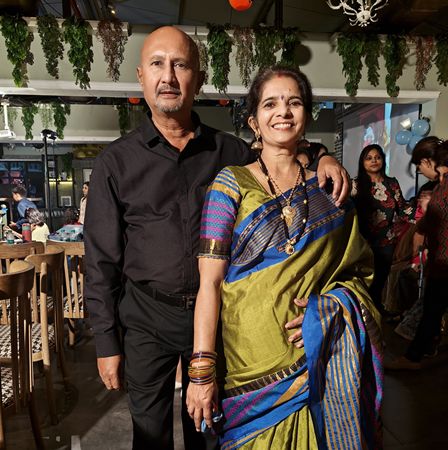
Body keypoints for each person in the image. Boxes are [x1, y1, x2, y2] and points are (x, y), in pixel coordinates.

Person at [84, 26, 351, 450]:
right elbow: (100, 261)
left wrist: (323, 156)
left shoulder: (230, 152)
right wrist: (105, 342)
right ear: (141, 76)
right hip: (147, 318)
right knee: (149, 436)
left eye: (180, 65)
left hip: (220, 318)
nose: (168, 76)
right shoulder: (115, 163)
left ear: (199, 79)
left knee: (209, 431)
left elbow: (281, 151)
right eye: (157, 64)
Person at [186, 66, 383, 449]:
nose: (283, 112)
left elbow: (360, 273)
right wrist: (202, 370)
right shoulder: (230, 183)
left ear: (306, 115)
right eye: (270, 104)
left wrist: (332, 307)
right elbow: (210, 281)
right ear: (253, 121)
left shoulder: (331, 190)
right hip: (250, 358)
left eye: (294, 102)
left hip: (317, 353)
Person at [387, 138, 448, 369]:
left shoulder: (443, 188)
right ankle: (422, 350)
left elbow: (433, 220)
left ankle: (413, 357)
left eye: (420, 166)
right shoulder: (440, 187)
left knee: (431, 308)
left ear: (429, 161)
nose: (421, 171)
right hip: (440, 260)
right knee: (432, 309)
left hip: (443, 261)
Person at [352, 144, 414, 311]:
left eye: (377, 157)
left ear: (383, 160)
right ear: (362, 162)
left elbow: (403, 209)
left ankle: (377, 313)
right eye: (369, 158)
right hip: (362, 241)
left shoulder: (392, 183)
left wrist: (424, 217)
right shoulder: (356, 185)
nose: (374, 161)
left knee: (379, 281)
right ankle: (362, 314)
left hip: (387, 241)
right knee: (363, 281)